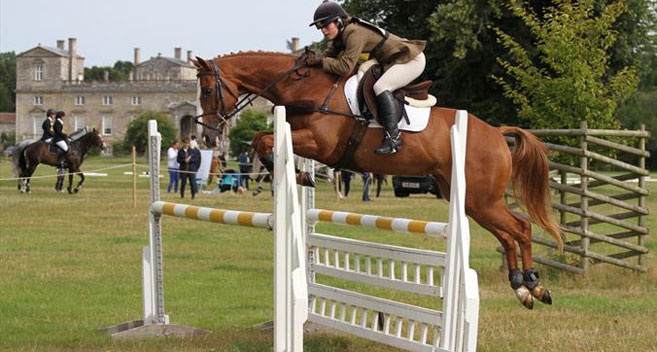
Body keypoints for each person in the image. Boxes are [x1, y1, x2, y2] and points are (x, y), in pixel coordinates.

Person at [307, 0, 426, 155]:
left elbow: (344, 67)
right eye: (319, 27)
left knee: (381, 87)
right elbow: (328, 57)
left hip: (412, 60)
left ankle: (393, 139)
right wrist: (313, 60)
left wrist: (320, 62)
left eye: (325, 25)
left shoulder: (353, 33)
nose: (323, 30)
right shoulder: (342, 35)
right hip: (392, 61)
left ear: (338, 21)